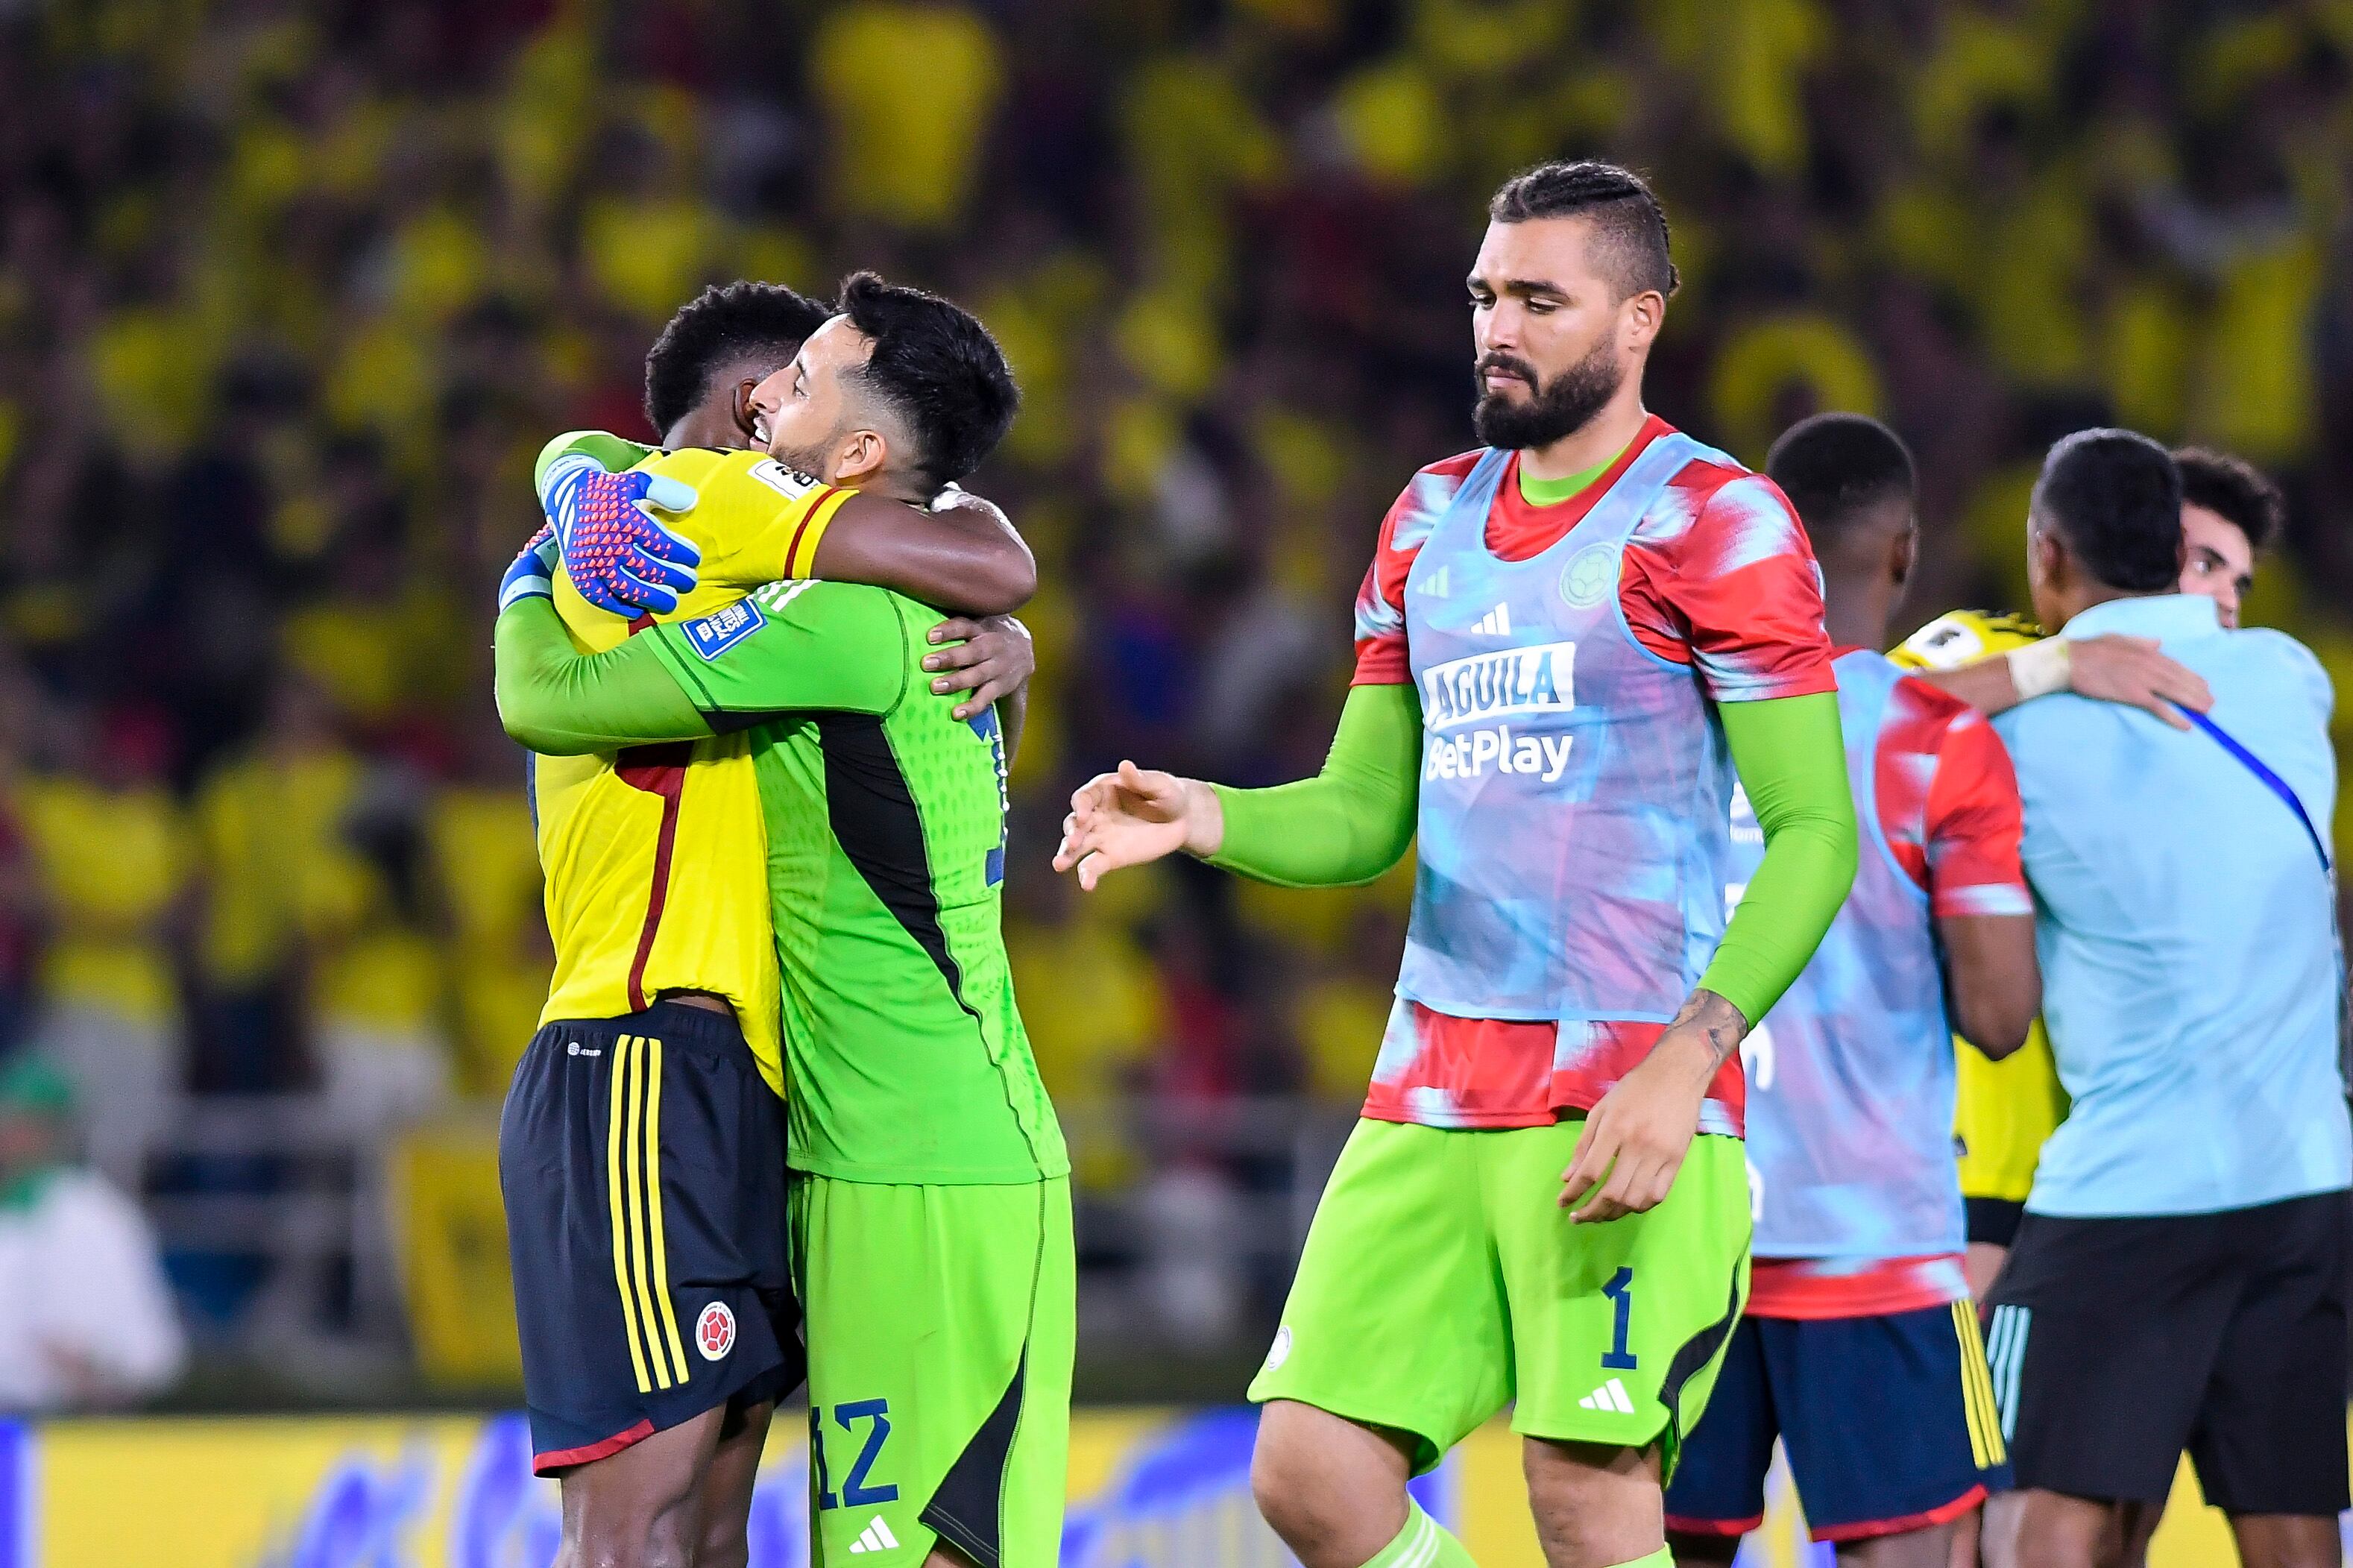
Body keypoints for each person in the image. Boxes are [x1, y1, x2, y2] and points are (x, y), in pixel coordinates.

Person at [1053, 160, 1860, 1568]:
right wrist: (1209, 815)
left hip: (1619, 1088)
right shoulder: (1426, 517)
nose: (1499, 325)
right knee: (1310, 1470)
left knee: (1586, 1502)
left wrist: (1685, 1064)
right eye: (1486, 294)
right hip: (1428, 1087)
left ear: (1637, 322)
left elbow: (1815, 832)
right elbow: (1367, 812)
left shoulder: (1713, 520)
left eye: (1541, 300)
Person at [498, 272, 1071, 1568]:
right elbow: (539, 697)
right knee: (653, 1530)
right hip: (650, 1059)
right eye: (770, 388)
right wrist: (533, 570)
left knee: (715, 1533)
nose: (773, 410)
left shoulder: (825, 601)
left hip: (805, 1111)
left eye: (801, 387)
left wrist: (1009, 631)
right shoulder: (687, 523)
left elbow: (963, 571)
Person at [1662, 415, 2037, 1567]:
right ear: (1906, 554)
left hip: (1679, 1230)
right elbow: (2000, 1015)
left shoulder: (1676, 725)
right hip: (1875, 1245)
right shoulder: (1936, 744)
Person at [1978, 430, 2348, 1568]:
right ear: (2184, 557)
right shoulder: (2293, 676)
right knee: (2290, 1514)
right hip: (2306, 1173)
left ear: (2048, 557)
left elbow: (1852, 723)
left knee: (2041, 1514)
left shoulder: (2012, 733)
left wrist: (2038, 669)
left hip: (2129, 1192)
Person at [1894, 444, 2285, 1297]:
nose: (2221, 595)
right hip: (1982, 1144)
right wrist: (2054, 667)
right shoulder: (1995, 650)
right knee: (1969, 1426)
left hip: (2141, 1162)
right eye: (2204, 562)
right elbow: (1865, 721)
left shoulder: (2243, 726)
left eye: (2239, 581)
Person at [0, 1057, 186, 1411]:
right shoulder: (13, 1214)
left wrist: (95, 1367)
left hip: (72, 1421)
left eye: (24, 1124)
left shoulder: (97, 1216)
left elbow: (151, 1353)